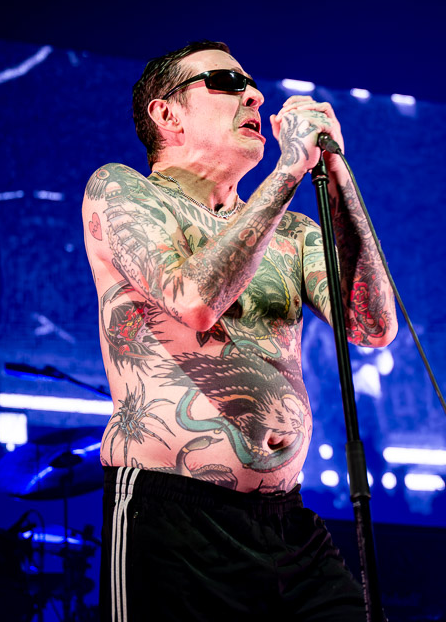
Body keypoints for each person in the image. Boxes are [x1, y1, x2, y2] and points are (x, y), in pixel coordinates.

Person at [82, 40, 397, 621]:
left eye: (252, 85)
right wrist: (286, 171)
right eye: (227, 82)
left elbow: (373, 326)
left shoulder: (292, 233)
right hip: (172, 517)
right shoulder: (124, 190)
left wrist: (336, 174)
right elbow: (193, 298)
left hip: (288, 525)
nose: (253, 95)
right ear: (167, 113)